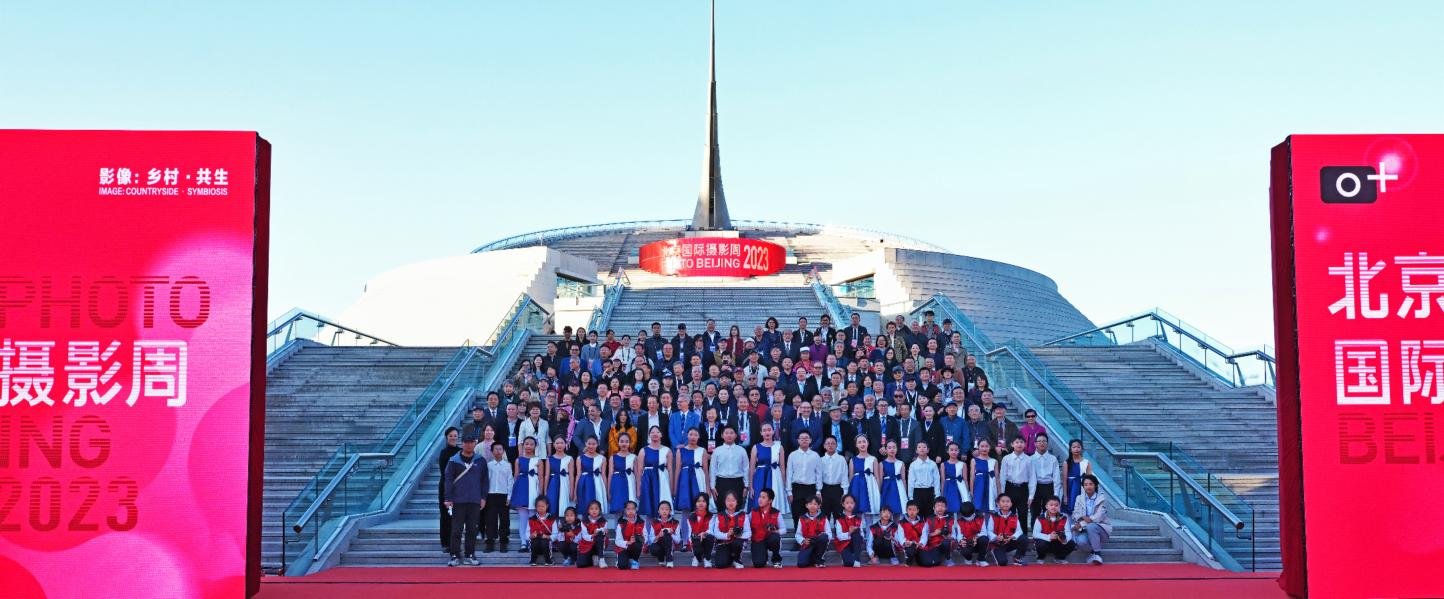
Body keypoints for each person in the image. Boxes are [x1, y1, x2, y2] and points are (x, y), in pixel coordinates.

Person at [444, 432, 489, 567]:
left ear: (475, 444)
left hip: (474, 500)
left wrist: (483, 497)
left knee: (472, 529)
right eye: (466, 442)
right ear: (462, 444)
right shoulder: (453, 461)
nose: (469, 445)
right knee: (456, 530)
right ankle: (454, 555)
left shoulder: (480, 460)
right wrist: (448, 498)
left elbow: (485, 480)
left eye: (471, 442)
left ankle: (470, 554)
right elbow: (448, 480)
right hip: (458, 500)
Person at [511, 437, 544, 552]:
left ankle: (531, 541)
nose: (529, 446)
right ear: (523, 445)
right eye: (526, 444)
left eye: (531, 444)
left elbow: (541, 478)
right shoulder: (518, 460)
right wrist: (513, 492)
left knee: (533, 518)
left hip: (534, 490)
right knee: (523, 518)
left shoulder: (539, 461)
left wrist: (541, 493)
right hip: (521, 489)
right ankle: (523, 543)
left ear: (535, 446)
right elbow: (515, 476)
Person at [1071, 474, 1111, 565]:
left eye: (1090, 484)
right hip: (1085, 529)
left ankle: (1097, 554)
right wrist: (1082, 516)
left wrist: (1081, 524)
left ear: (1095, 485)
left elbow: (1098, 517)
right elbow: (1075, 514)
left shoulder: (1102, 499)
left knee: (1091, 526)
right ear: (1083, 486)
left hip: (1101, 528)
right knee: (1080, 541)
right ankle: (1093, 552)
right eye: (1086, 484)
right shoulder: (1079, 498)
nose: (1088, 486)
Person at [750, 423, 788, 516]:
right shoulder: (756, 447)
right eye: (764, 430)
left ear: (773, 431)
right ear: (761, 433)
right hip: (760, 477)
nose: (767, 432)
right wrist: (750, 486)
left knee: (774, 501)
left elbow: (782, 467)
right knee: (759, 500)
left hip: (775, 476)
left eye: (769, 430)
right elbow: (751, 468)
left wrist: (784, 485)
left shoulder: (779, 447)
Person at [636, 426, 674, 521]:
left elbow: (670, 470)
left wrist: (671, 487)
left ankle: (663, 527)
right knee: (649, 507)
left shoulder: (667, 450)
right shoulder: (643, 450)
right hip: (648, 480)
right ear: (649, 435)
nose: (655, 434)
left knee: (664, 507)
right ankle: (649, 529)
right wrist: (638, 488)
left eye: (657, 432)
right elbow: (639, 471)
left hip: (663, 481)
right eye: (652, 432)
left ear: (661, 434)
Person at [1000, 436, 1035, 532]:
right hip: (1010, 488)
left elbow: (1032, 478)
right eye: (1017, 442)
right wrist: (1002, 493)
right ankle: (1008, 535)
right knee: (1008, 513)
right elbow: (1002, 476)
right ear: (1012, 444)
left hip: (1023, 489)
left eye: (1021, 442)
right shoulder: (1006, 459)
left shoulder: (1029, 460)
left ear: (1025, 444)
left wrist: (1031, 495)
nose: (1019, 444)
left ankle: (1023, 536)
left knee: (1023, 514)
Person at [786, 431, 820, 525]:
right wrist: (789, 492)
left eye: (806, 438)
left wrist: (818, 491)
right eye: (802, 438)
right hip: (797, 488)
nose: (804, 440)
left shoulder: (815, 455)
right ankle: (798, 533)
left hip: (811, 488)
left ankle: (810, 533)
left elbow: (818, 474)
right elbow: (789, 474)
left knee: (811, 513)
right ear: (798, 440)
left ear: (810, 440)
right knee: (796, 513)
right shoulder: (792, 455)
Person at [483, 442, 513, 553]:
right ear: (492, 451)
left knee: (504, 520)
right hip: (490, 495)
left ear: (503, 451)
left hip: (503, 495)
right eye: (495, 449)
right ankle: (490, 542)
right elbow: (485, 481)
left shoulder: (508, 465)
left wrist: (509, 497)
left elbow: (510, 481)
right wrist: (484, 496)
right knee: (490, 520)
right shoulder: (488, 465)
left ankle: (503, 542)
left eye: (500, 449)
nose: (498, 451)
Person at [673, 428, 710, 516]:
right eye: (691, 434)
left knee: (700, 504)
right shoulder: (680, 450)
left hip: (699, 478)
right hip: (685, 480)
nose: (693, 437)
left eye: (695, 435)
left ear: (699, 437)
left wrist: (708, 487)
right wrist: (675, 487)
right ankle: (685, 524)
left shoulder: (702, 450)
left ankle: (700, 523)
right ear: (687, 435)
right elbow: (677, 469)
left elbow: (706, 470)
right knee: (685, 505)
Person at [1029, 434, 1061, 534]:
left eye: (1044, 441)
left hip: (1049, 487)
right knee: (1035, 513)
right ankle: (1035, 535)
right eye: (1039, 441)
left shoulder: (1053, 459)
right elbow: (1031, 478)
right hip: (1036, 487)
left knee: (1050, 513)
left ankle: (1049, 534)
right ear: (1035, 444)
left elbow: (1056, 477)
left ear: (1047, 444)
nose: (1041, 443)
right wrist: (1030, 495)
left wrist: (1056, 494)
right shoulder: (1031, 459)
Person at [710, 426, 748, 510]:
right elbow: (712, 469)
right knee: (722, 509)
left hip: (737, 482)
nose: (729, 435)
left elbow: (746, 469)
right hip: (721, 482)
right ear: (722, 435)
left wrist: (746, 486)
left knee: (737, 508)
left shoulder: (742, 450)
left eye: (731, 433)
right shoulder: (717, 451)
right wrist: (712, 486)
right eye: (726, 433)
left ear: (736, 435)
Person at [848, 435, 882, 525]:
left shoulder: (873, 459)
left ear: (868, 443)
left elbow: (877, 477)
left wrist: (878, 492)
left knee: (868, 513)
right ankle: (858, 532)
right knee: (857, 512)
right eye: (859, 442)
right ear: (856, 445)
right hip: (856, 487)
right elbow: (851, 478)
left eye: (864, 441)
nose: (862, 444)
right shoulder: (852, 460)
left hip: (869, 487)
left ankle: (869, 533)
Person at [747, 488, 785, 568]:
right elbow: (746, 526)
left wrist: (776, 531)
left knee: (775, 538)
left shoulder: (776, 512)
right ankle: (764, 556)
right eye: (760, 497)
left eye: (763, 497)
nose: (760, 499)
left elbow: (784, 529)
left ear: (770, 501)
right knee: (758, 564)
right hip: (757, 540)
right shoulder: (753, 511)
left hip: (770, 538)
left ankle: (776, 559)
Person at [709, 491, 748, 569]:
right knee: (720, 564)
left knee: (737, 543)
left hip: (737, 542)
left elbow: (748, 532)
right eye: (728, 500)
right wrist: (727, 534)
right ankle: (730, 558)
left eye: (733, 500)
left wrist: (738, 534)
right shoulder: (720, 515)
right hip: (724, 542)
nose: (730, 503)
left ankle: (737, 559)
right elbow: (716, 533)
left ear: (737, 502)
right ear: (725, 502)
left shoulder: (743, 515)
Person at [437, 427, 462, 550]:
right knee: (446, 515)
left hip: (459, 488)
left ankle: (455, 542)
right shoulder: (443, 453)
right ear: (447, 437)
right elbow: (444, 472)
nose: (453, 438)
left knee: (457, 517)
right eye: (451, 436)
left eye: (455, 435)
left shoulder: (461, 451)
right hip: (446, 488)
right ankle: (446, 543)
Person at [1032, 496, 1076, 564]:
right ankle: (1041, 557)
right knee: (1040, 544)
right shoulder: (1040, 518)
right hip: (1046, 542)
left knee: (1071, 543)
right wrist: (1049, 536)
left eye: (1056, 505)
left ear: (1059, 506)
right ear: (1046, 506)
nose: (1053, 507)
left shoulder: (1064, 517)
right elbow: (1035, 534)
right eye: (1051, 505)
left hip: (1058, 542)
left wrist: (1064, 539)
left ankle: (1060, 557)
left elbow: (1068, 532)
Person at [986, 494, 1026, 566]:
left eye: (1008, 501)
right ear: (998, 504)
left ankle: (1017, 558)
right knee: (1003, 562)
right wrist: (996, 537)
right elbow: (989, 531)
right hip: (997, 544)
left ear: (1011, 504)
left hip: (1009, 542)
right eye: (1003, 501)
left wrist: (1012, 537)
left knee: (1023, 538)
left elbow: (1019, 531)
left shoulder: (1014, 516)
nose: (1006, 503)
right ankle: (995, 551)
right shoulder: (993, 516)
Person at [574, 437, 608, 516]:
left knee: (598, 503)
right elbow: (578, 475)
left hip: (598, 483)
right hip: (584, 484)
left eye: (593, 444)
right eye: (589, 444)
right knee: (585, 505)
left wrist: (606, 490)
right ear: (585, 444)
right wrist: (575, 492)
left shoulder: (602, 458)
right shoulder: (580, 458)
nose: (591, 446)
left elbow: (603, 475)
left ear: (597, 444)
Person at [895, 501, 934, 567]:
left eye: (914, 510)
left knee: (927, 563)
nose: (912, 512)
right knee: (910, 551)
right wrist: (905, 542)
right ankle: (909, 558)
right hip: (908, 545)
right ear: (906, 510)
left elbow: (924, 535)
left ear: (918, 511)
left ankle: (918, 558)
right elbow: (900, 536)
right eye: (910, 509)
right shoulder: (901, 523)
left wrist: (921, 543)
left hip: (919, 545)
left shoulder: (923, 522)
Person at [795, 496, 831, 567]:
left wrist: (822, 537)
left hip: (818, 542)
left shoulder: (823, 518)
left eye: (815, 504)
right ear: (806, 505)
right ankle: (813, 558)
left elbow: (829, 534)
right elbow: (798, 534)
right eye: (810, 504)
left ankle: (819, 559)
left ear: (819, 506)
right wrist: (803, 540)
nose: (812, 506)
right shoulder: (802, 518)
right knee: (801, 564)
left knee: (824, 537)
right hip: (808, 542)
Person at [832, 494, 867, 568]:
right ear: (843, 504)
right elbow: (839, 536)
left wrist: (854, 532)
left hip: (855, 543)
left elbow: (862, 535)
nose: (849, 505)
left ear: (854, 504)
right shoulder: (839, 519)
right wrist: (849, 533)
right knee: (848, 563)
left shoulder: (858, 519)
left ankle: (857, 559)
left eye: (851, 503)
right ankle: (850, 559)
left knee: (857, 532)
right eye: (847, 503)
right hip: (844, 544)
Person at [608, 433, 638, 520]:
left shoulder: (634, 457)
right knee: (618, 507)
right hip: (617, 484)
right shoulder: (613, 457)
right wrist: (608, 491)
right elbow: (610, 474)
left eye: (626, 441)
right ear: (618, 443)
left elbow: (637, 474)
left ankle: (631, 526)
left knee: (630, 507)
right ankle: (618, 527)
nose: (624, 444)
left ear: (630, 443)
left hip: (630, 483)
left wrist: (638, 489)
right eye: (621, 441)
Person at [817, 436, 847, 518]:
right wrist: (818, 491)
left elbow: (844, 475)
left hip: (838, 489)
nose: (830, 445)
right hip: (825, 489)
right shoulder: (820, 460)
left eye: (833, 443)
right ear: (824, 446)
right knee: (824, 515)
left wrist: (845, 492)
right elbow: (818, 477)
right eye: (828, 443)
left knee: (839, 514)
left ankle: (838, 527)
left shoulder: (841, 459)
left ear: (837, 445)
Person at [1062, 439, 1093, 516]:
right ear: (1070, 449)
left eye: (1078, 447)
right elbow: (1064, 480)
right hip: (1070, 489)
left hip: (1082, 489)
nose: (1076, 449)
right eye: (1074, 447)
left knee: (1082, 511)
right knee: (1070, 510)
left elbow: (1090, 480)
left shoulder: (1087, 462)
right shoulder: (1067, 463)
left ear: (1082, 449)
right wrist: (1065, 496)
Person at [614, 501, 648, 570]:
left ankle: (635, 561)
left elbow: (646, 537)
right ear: (625, 510)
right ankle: (621, 561)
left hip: (635, 546)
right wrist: (628, 542)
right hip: (624, 548)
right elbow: (617, 541)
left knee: (638, 540)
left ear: (636, 510)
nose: (631, 511)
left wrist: (640, 538)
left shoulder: (641, 522)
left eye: (633, 509)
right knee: (622, 566)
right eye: (628, 509)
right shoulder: (621, 523)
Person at [545, 436, 574, 517]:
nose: (559, 445)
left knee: (564, 504)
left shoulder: (569, 458)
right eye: (557, 443)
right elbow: (547, 475)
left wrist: (571, 491)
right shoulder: (549, 459)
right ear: (553, 445)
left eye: (562, 443)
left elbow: (571, 476)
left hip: (565, 484)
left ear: (565, 444)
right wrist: (545, 490)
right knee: (552, 503)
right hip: (553, 484)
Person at [953, 501, 989, 567]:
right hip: (967, 541)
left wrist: (976, 537)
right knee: (963, 548)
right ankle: (968, 559)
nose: (968, 518)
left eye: (970, 516)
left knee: (984, 539)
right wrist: (961, 541)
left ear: (974, 512)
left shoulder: (980, 518)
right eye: (966, 517)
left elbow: (984, 532)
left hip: (977, 541)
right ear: (962, 515)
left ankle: (981, 559)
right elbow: (959, 534)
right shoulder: (959, 521)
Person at [907, 441, 940, 511]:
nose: (922, 449)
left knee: (930, 513)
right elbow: (911, 481)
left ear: (928, 450)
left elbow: (936, 480)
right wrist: (910, 497)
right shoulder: (913, 465)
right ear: (916, 450)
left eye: (924, 447)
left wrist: (937, 494)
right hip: (917, 492)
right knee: (918, 513)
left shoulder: (933, 464)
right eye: (919, 447)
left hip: (930, 491)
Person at [647, 500, 681, 568]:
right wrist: (658, 536)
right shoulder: (654, 522)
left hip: (670, 546)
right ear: (658, 511)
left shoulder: (675, 522)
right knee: (654, 548)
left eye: (666, 509)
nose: (664, 511)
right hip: (659, 544)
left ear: (670, 511)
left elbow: (678, 541)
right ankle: (661, 559)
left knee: (667, 534)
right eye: (662, 509)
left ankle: (669, 560)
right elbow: (650, 540)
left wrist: (671, 534)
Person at [878, 440, 908, 517]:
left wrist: (905, 492)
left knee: (897, 510)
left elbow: (903, 479)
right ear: (886, 450)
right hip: (886, 489)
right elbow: (880, 480)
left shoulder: (901, 463)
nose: (892, 450)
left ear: (897, 449)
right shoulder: (881, 464)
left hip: (898, 488)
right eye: (889, 448)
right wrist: (879, 492)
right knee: (886, 511)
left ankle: (897, 525)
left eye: (894, 447)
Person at [576, 501, 609, 568]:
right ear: (588, 510)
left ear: (599, 510)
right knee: (581, 564)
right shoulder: (584, 521)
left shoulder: (604, 521)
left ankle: (601, 558)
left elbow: (604, 534)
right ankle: (593, 557)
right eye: (592, 509)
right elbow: (584, 536)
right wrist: (593, 535)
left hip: (599, 543)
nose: (594, 511)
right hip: (587, 543)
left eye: (596, 509)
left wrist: (604, 531)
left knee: (600, 534)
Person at [686, 493, 715, 568]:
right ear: (695, 503)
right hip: (695, 539)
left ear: (707, 503)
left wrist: (704, 533)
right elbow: (689, 534)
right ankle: (696, 557)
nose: (701, 503)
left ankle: (707, 558)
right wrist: (696, 537)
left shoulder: (711, 516)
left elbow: (711, 530)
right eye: (698, 501)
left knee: (710, 537)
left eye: (703, 501)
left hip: (706, 537)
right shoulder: (690, 517)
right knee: (694, 539)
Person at [940, 442, 970, 514]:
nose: (954, 452)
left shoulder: (963, 464)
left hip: (960, 487)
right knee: (949, 506)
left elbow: (965, 480)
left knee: (960, 505)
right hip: (948, 487)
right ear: (947, 451)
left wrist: (967, 492)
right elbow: (943, 480)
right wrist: (942, 492)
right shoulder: (943, 464)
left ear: (959, 451)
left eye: (956, 450)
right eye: (951, 450)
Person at [925, 497, 955, 567]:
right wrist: (934, 533)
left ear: (946, 508)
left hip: (946, 543)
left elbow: (954, 535)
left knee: (946, 542)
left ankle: (948, 558)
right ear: (934, 508)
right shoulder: (929, 519)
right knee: (936, 562)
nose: (940, 508)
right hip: (933, 544)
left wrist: (948, 536)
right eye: (938, 506)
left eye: (942, 506)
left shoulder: (950, 519)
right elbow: (924, 535)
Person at [970, 439, 998, 512]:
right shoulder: (974, 460)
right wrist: (971, 491)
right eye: (982, 446)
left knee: (991, 508)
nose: (984, 448)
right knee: (978, 508)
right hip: (979, 486)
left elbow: (997, 478)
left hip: (991, 487)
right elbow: (972, 477)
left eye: (986, 446)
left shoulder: (994, 461)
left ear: (990, 447)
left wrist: (999, 492)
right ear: (978, 447)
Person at [528, 496, 556, 566]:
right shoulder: (532, 519)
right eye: (538, 506)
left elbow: (556, 534)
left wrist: (547, 537)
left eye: (543, 506)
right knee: (534, 542)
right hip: (535, 540)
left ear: (547, 506)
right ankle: (533, 560)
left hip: (546, 541)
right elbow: (527, 533)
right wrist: (531, 535)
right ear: (535, 507)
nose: (541, 508)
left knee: (545, 542)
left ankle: (548, 560)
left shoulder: (552, 519)